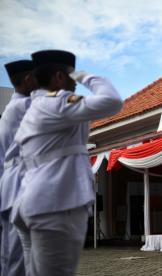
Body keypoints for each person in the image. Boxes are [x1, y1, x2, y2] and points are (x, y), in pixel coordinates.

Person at [12, 50, 123, 276]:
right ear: (60, 77)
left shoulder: (35, 108)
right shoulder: (58, 102)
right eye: (71, 78)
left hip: (31, 203)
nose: (75, 86)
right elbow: (112, 101)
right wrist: (83, 74)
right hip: (56, 204)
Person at [0, 60, 36, 276]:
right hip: (19, 191)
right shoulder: (24, 107)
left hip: (9, 190)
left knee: (11, 255)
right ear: (27, 80)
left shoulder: (11, 110)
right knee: (19, 258)